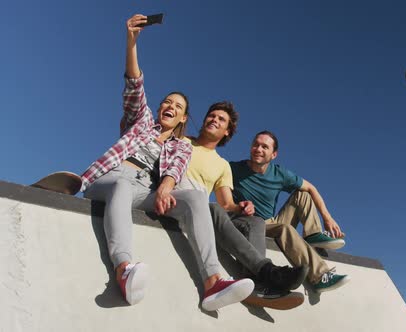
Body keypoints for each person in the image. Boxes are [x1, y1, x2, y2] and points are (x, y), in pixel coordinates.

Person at [81, 14, 253, 311]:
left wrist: (165, 188)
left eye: (177, 106)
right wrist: (131, 42)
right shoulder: (142, 122)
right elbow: (134, 85)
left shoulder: (180, 146)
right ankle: (123, 270)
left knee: (197, 197)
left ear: (184, 118)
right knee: (122, 182)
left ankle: (213, 281)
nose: (169, 107)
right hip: (111, 179)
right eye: (167, 102)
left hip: (144, 190)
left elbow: (174, 169)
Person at [179, 102, 307, 309]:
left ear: (227, 131)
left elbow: (226, 203)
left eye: (221, 119)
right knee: (209, 207)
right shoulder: (182, 142)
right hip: (176, 201)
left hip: (201, 212)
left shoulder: (222, 165)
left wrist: (241, 207)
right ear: (203, 121)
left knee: (255, 221)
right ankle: (269, 273)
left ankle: (256, 285)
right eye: (211, 116)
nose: (214, 120)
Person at [230, 131, 351, 293]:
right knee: (284, 229)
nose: (258, 149)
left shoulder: (279, 174)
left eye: (264, 147)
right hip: (249, 223)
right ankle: (320, 276)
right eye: (256, 145)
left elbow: (311, 187)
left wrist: (327, 218)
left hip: (271, 221)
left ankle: (312, 234)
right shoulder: (234, 169)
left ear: (273, 154)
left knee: (303, 193)